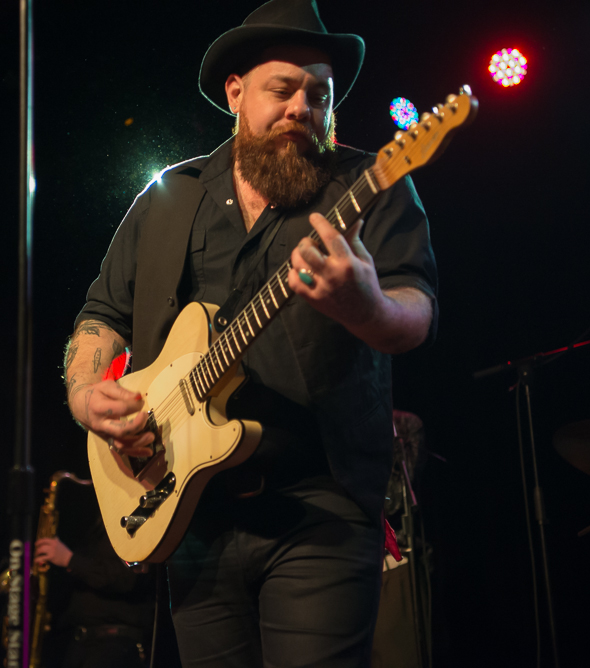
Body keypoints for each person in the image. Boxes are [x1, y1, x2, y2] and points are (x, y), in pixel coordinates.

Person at [63, 0, 437, 664]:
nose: (302, 106)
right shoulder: (168, 200)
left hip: (318, 510)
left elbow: (415, 314)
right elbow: (102, 317)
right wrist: (86, 391)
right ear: (236, 92)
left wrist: (365, 306)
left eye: (318, 94)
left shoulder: (367, 185)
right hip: (189, 513)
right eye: (283, 88)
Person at [35, 521, 154, 668]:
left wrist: (69, 560)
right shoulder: (94, 527)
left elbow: (127, 578)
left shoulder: (134, 524)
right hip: (79, 643)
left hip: (116, 644)